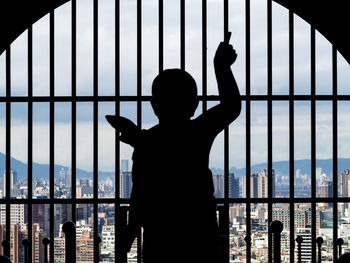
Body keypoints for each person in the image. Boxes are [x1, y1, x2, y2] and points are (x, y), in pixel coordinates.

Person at [106, 32, 241, 263]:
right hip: (199, 226)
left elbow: (141, 190)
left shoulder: (148, 140)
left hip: (160, 231)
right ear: (194, 104)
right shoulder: (198, 132)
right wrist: (221, 67)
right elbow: (231, 107)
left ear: (154, 104)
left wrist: (131, 229)